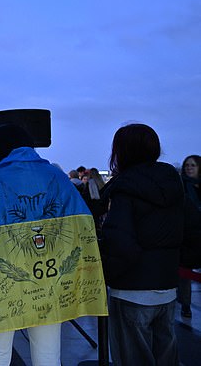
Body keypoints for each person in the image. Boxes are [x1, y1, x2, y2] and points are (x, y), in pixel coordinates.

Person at [0, 125, 107, 366]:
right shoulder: (56, 177)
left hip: (0, 283)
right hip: (48, 276)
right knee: (48, 356)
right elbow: (81, 224)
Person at [99, 124, 185, 366]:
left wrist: (106, 273)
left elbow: (120, 243)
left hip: (131, 289)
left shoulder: (124, 189)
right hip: (167, 287)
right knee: (167, 356)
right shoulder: (173, 183)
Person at [178, 155, 201, 318]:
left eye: (193, 165)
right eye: (187, 165)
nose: (189, 168)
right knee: (185, 272)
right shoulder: (181, 186)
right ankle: (185, 304)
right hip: (187, 234)